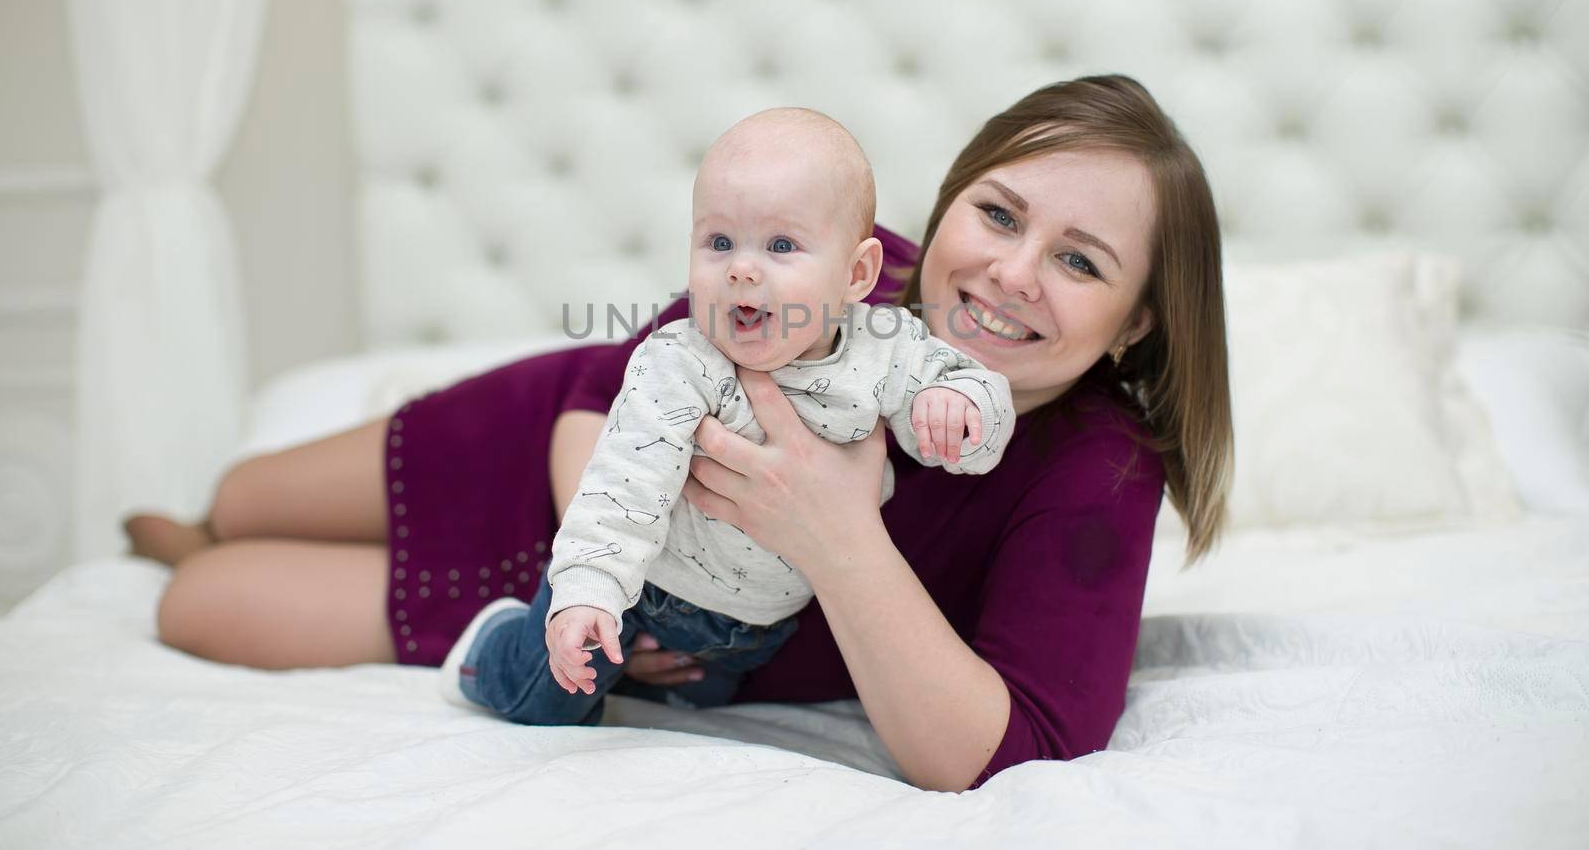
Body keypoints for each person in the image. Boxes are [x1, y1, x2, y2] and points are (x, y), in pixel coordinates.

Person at [128, 74, 1233, 794]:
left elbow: (1007, 746)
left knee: (200, 605)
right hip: (569, 479)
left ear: (1136, 319)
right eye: (996, 213)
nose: (1011, 272)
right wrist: (605, 578)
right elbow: (602, 417)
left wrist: (836, 533)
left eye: (1080, 260)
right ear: (943, 208)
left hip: (615, 632)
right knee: (246, 495)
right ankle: (202, 524)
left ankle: (204, 557)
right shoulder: (836, 267)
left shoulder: (1098, 468)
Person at [441, 108, 1014, 722]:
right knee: (550, 701)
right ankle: (488, 650)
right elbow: (619, 485)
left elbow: (976, 421)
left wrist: (958, 409)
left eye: (781, 245)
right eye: (718, 242)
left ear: (856, 274)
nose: (741, 267)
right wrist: (589, 593)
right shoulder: (680, 362)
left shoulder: (887, 348)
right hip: (642, 591)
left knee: (700, 700)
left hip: (755, 630)